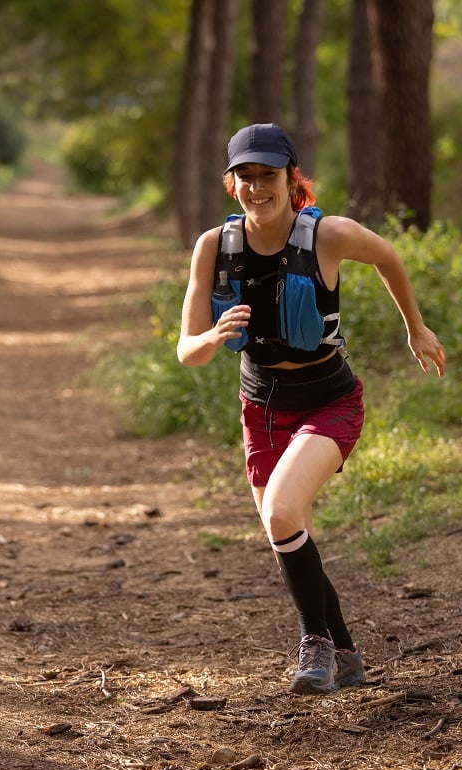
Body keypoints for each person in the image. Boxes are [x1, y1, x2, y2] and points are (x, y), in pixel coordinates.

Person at [177, 124, 446, 695]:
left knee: (280, 513)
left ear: (291, 179)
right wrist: (213, 336)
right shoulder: (213, 247)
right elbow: (187, 351)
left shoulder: (327, 235)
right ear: (231, 184)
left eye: (268, 176)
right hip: (262, 407)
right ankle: (345, 654)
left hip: (329, 401)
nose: (257, 188)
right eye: (245, 178)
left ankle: (314, 642)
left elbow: (388, 256)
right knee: (287, 528)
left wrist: (415, 329)